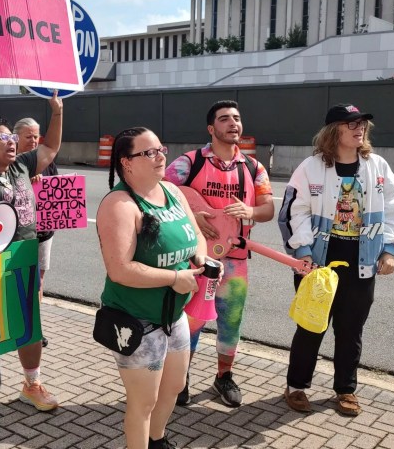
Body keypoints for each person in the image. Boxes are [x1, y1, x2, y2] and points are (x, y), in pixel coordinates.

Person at [278, 104, 394, 416]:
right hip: (318, 260)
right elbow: (294, 211)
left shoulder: (377, 166)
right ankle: (296, 386)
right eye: (350, 123)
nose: (358, 128)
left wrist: (390, 249)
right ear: (332, 130)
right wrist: (303, 251)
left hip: (361, 259)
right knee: (311, 325)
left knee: (351, 330)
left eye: (361, 123)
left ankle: (345, 390)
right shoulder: (310, 168)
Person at [97, 127, 212, 449]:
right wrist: (176, 279)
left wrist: (199, 257)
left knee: (174, 386)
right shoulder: (120, 204)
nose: (160, 156)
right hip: (136, 320)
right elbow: (120, 270)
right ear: (127, 162)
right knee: (143, 402)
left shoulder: (172, 192)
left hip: (173, 314)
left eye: (161, 149)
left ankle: (157, 439)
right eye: (149, 152)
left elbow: (197, 235)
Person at [164, 100, 274, 408]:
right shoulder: (189, 162)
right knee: (191, 320)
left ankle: (224, 377)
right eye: (225, 119)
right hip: (197, 261)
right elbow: (160, 195)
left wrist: (251, 210)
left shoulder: (254, 168)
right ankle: (180, 378)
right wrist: (192, 215)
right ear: (212, 128)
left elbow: (268, 209)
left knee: (231, 322)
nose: (233, 123)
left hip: (236, 263)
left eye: (237, 118)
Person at [0, 97, 62, 412]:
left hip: (25, 254)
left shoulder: (23, 165)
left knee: (29, 325)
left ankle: (32, 384)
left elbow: (50, 147)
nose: (12, 143)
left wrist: (57, 111)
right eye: (4, 137)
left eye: (13, 137)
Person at [13, 117, 58, 347]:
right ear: (16, 138)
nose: (33, 141)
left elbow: (56, 191)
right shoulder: (12, 163)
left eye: (36, 136)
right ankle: (18, 325)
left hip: (45, 232)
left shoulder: (46, 161)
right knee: (20, 281)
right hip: (20, 236)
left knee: (39, 281)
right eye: (28, 136)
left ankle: (34, 327)